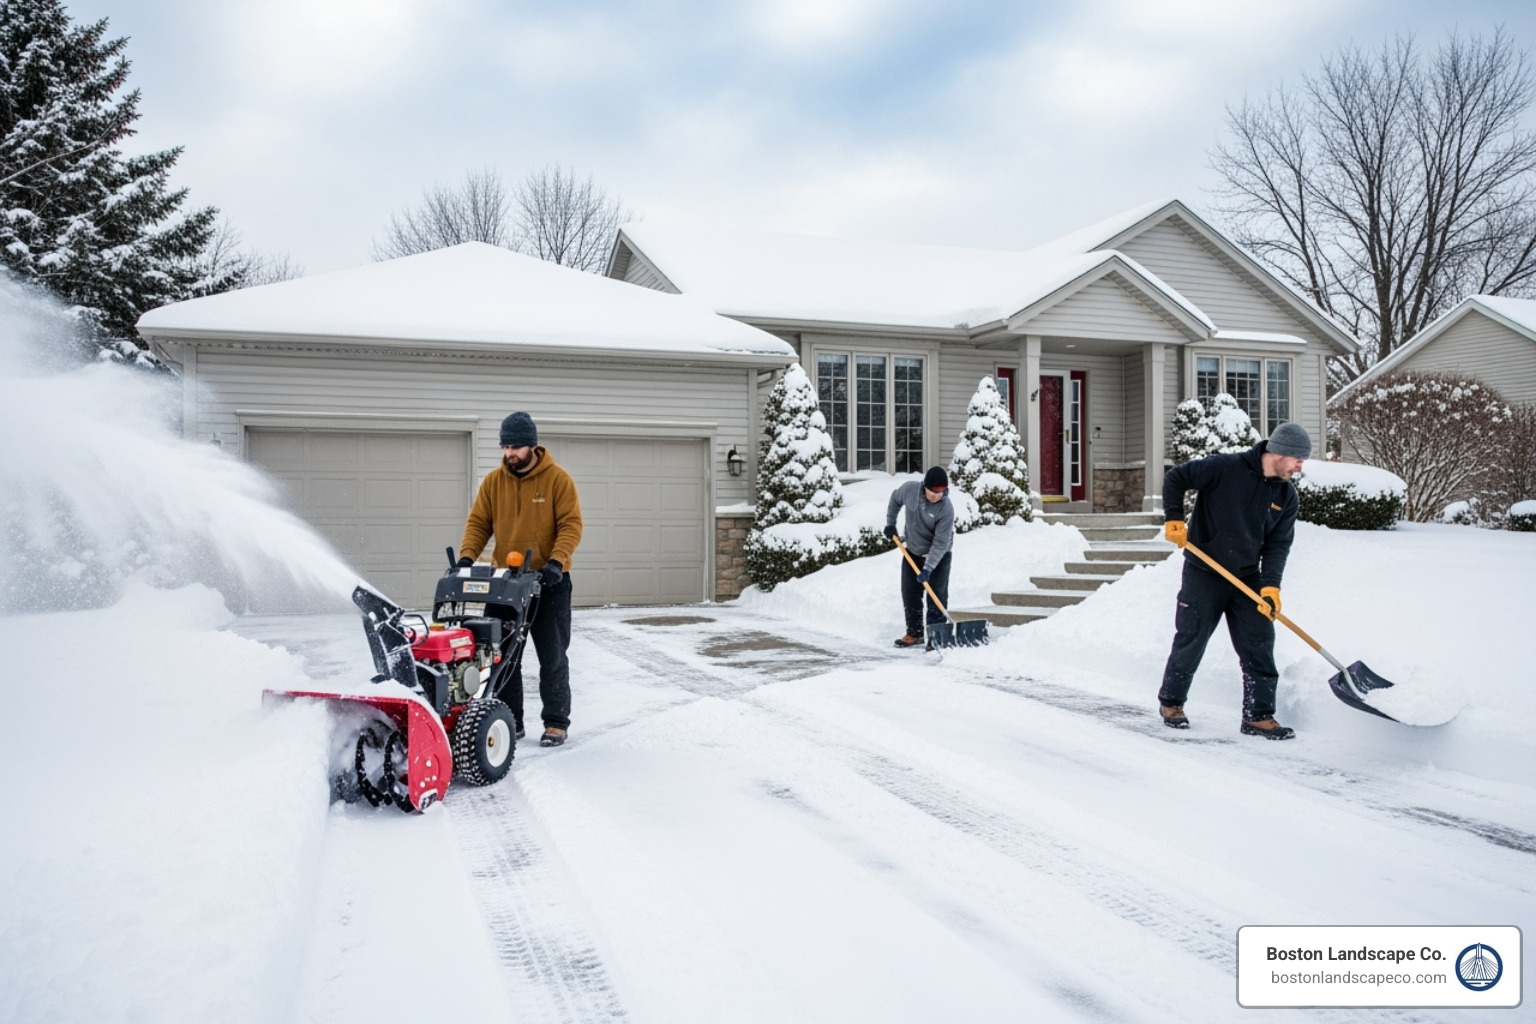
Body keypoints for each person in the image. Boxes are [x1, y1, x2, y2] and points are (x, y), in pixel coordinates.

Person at [1157, 421, 1311, 740]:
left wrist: (1270, 587)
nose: (1300, 467)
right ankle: (1172, 702)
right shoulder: (1225, 468)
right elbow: (1176, 477)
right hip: (1203, 570)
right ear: (1279, 453)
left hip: (1246, 576)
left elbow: (1278, 544)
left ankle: (1258, 715)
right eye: (1297, 459)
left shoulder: (1286, 495)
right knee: (1192, 637)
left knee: (1259, 643)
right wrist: (1174, 518)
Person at [459, 411, 583, 747]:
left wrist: (556, 562)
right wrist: (466, 557)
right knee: (503, 656)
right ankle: (510, 720)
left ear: (531, 446)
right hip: (506, 583)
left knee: (552, 656)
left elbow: (571, 525)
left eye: (515, 447)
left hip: (549, 582)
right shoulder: (494, 482)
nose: (509, 453)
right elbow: (478, 523)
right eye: (505, 446)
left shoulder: (557, 480)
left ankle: (555, 722)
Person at [883, 466, 955, 649]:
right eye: (933, 492)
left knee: (936, 595)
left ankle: (936, 637)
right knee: (910, 592)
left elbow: (941, 543)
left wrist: (928, 568)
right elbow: (895, 499)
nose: (937, 496)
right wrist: (890, 524)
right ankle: (914, 633)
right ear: (925, 486)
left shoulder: (946, 508)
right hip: (913, 551)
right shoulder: (909, 490)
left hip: (939, 556)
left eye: (941, 492)